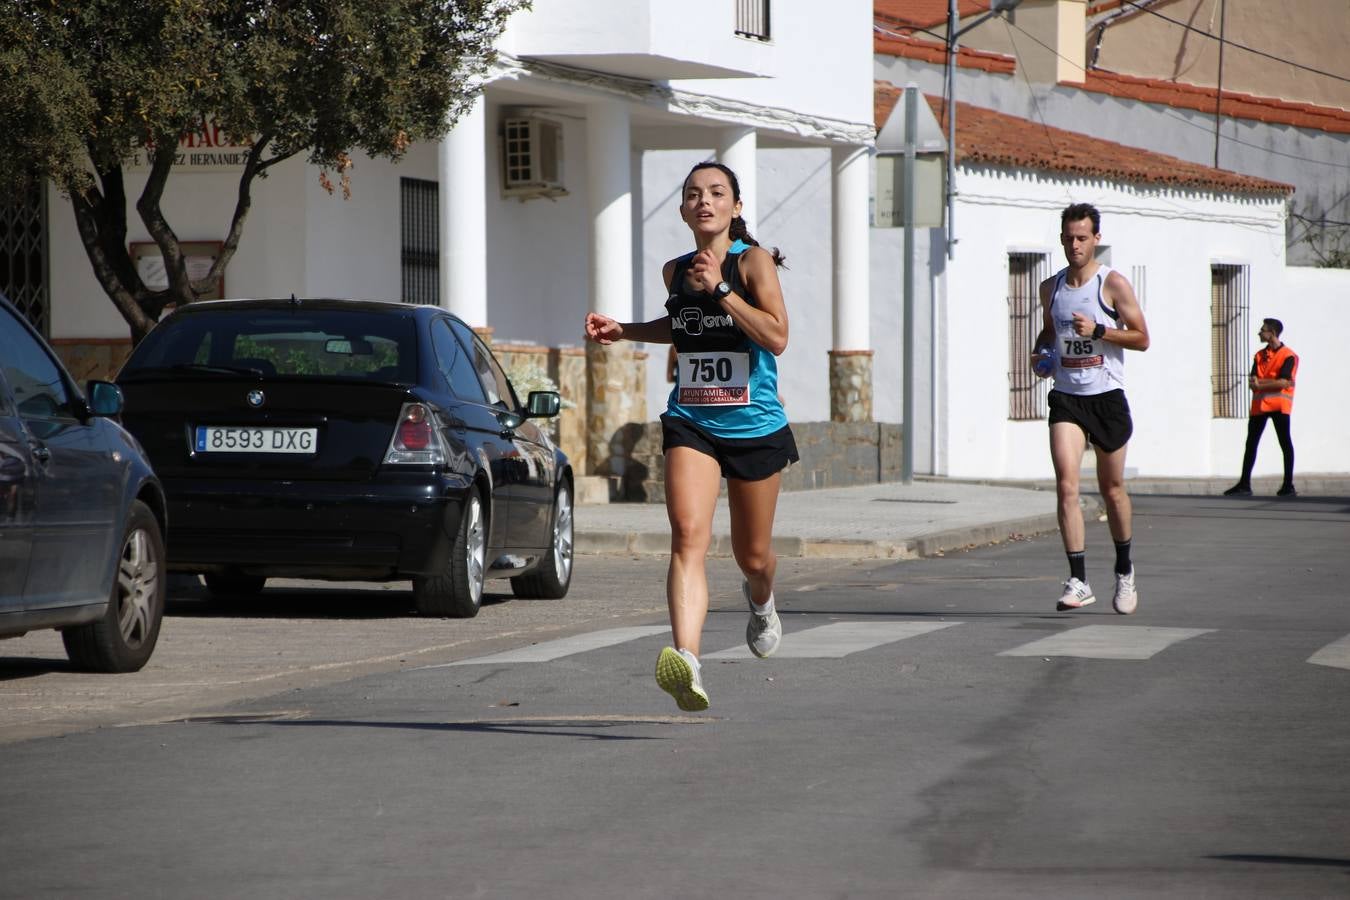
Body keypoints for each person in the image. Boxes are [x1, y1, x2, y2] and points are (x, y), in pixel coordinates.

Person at [584, 161, 796, 712]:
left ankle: (763, 598)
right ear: (683, 210)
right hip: (693, 417)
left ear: (736, 207)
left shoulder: (755, 262)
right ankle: (689, 662)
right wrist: (625, 330)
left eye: (717, 193)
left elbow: (777, 336)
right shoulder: (673, 270)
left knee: (753, 556)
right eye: (694, 194)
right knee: (687, 534)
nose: (705, 201)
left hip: (754, 424)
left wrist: (721, 288)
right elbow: (682, 326)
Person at [1032, 203, 1150, 615]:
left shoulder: (1112, 284)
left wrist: (1100, 330)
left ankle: (1124, 569)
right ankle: (1079, 580)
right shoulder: (1051, 288)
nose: (1075, 245)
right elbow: (1049, 333)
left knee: (1112, 490)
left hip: (1107, 399)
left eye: (1082, 238)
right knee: (1066, 484)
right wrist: (1041, 354)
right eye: (1068, 238)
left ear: (1096, 239)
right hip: (1067, 398)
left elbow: (1141, 338)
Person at [1224, 319, 1298, 497]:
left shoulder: (1288, 356)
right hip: (1259, 407)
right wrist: (1261, 383)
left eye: (1262, 330)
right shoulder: (1259, 355)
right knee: (1251, 444)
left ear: (1272, 333)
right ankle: (1244, 484)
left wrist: (1261, 384)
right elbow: (1252, 381)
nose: (1259, 333)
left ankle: (1288, 485)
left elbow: (1283, 382)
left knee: (1285, 443)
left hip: (1279, 406)